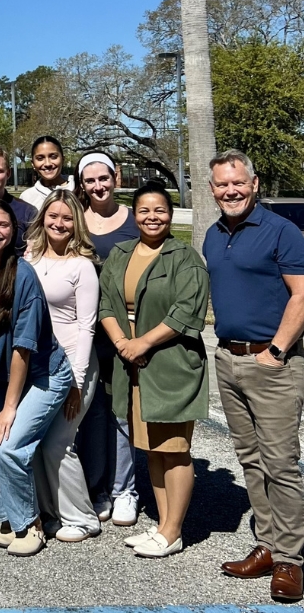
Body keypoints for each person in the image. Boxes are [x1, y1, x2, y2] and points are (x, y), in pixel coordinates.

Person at [204, 150, 304, 602]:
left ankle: (290, 559)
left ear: (255, 182)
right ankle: (266, 543)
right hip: (228, 359)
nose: (231, 191)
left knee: (281, 462)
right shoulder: (211, 234)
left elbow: (301, 297)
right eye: (222, 185)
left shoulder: (283, 232)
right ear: (212, 189)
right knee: (249, 457)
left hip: (273, 363)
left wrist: (278, 351)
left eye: (238, 183)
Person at [0, 199, 72, 557]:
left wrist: (7, 408)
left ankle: (31, 525)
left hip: (43, 376)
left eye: (3, 225)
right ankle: (9, 517)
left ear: (13, 231)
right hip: (0, 384)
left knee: (7, 447)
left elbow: (23, 349)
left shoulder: (24, 275)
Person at [99, 182, 208, 558]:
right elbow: (106, 303)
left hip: (169, 364)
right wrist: (122, 344)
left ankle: (173, 530)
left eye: (160, 210)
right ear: (135, 215)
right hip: (130, 364)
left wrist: (142, 344)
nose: (152, 217)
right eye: (144, 210)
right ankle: (163, 526)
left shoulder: (185, 257)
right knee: (151, 449)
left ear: (171, 213)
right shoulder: (121, 253)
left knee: (174, 448)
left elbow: (186, 311)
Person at [23, 190, 102, 542]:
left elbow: (87, 326)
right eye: (53, 216)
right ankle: (52, 512)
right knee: (37, 441)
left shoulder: (82, 266)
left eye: (67, 218)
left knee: (58, 442)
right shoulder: (30, 259)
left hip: (74, 365)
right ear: (43, 219)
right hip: (38, 365)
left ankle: (83, 518)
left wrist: (77, 383)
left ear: (77, 224)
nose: (59, 223)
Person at [73, 151, 141, 527]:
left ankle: (125, 489)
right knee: (93, 413)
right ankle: (97, 487)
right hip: (86, 333)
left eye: (104, 178)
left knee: (123, 414)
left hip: (126, 334)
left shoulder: (133, 221)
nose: (98, 186)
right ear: (81, 184)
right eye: (90, 180)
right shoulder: (75, 222)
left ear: (115, 177)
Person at [19, 136, 76, 212]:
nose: (47, 163)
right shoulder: (27, 198)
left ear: (63, 159)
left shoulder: (79, 188)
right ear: (33, 164)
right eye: (40, 158)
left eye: (53, 157)